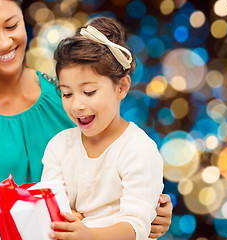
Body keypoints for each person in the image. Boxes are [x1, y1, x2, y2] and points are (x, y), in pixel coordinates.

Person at [0, 0, 172, 239]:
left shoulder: (67, 98)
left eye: (12, 26)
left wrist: (152, 207)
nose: (4, 42)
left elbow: (116, 167)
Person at [41, 17, 164, 240]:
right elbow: (50, 210)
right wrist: (64, 218)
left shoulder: (138, 149)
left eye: (89, 92)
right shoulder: (59, 146)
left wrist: (87, 234)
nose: (76, 105)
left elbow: (136, 227)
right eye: (67, 93)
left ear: (122, 87)